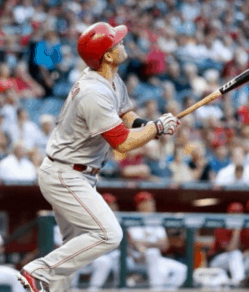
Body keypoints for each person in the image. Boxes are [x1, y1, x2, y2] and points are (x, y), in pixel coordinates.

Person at [17, 22, 180, 292]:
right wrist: (156, 128)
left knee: (73, 253)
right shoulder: (94, 92)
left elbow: (128, 117)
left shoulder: (111, 78)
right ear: (106, 55)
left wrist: (152, 127)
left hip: (76, 173)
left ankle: (49, 283)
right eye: (117, 42)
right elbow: (122, 143)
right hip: (66, 173)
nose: (123, 43)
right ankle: (38, 270)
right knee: (109, 234)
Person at [128, 191, 187, 290]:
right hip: (139, 260)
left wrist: (146, 243)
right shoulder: (133, 220)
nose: (152, 203)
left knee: (182, 269)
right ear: (139, 205)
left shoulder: (156, 220)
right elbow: (136, 244)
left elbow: (165, 245)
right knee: (153, 252)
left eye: (152, 201)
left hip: (157, 259)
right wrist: (155, 243)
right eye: (148, 202)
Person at [208, 202, 247, 287]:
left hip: (235, 262)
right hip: (217, 261)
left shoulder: (245, 229)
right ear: (229, 214)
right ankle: (239, 280)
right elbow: (231, 249)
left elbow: (248, 249)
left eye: (239, 213)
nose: (236, 216)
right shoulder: (221, 227)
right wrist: (236, 231)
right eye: (234, 213)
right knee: (235, 254)